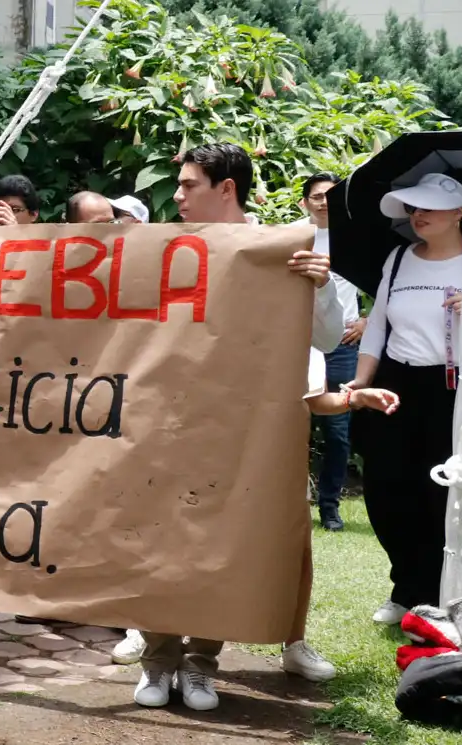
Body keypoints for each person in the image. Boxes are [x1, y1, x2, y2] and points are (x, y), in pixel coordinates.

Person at [130, 143, 342, 711]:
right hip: (166, 422)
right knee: (157, 537)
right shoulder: (164, 249)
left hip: (244, 432)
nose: (176, 195)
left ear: (227, 188)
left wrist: (320, 289)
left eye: (189, 184)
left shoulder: (282, 251)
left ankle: (200, 665)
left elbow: (325, 337)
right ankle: (157, 661)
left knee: (223, 543)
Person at [352, 171, 462, 626]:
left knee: (439, 491)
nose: (419, 215)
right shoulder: (398, 259)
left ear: (460, 211)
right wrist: (362, 381)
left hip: (454, 386)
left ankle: (434, 590)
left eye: (430, 207)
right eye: (414, 207)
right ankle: (405, 584)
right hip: (396, 383)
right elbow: (377, 325)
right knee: (384, 487)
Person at [299, 173, 362, 532]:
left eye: (332, 196)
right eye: (318, 196)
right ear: (304, 202)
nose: (324, 201)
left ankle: (330, 506)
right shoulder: (291, 235)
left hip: (342, 345)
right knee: (295, 425)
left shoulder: (355, 238)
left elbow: (384, 284)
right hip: (299, 340)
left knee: (338, 431)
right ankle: (294, 501)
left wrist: (367, 321)